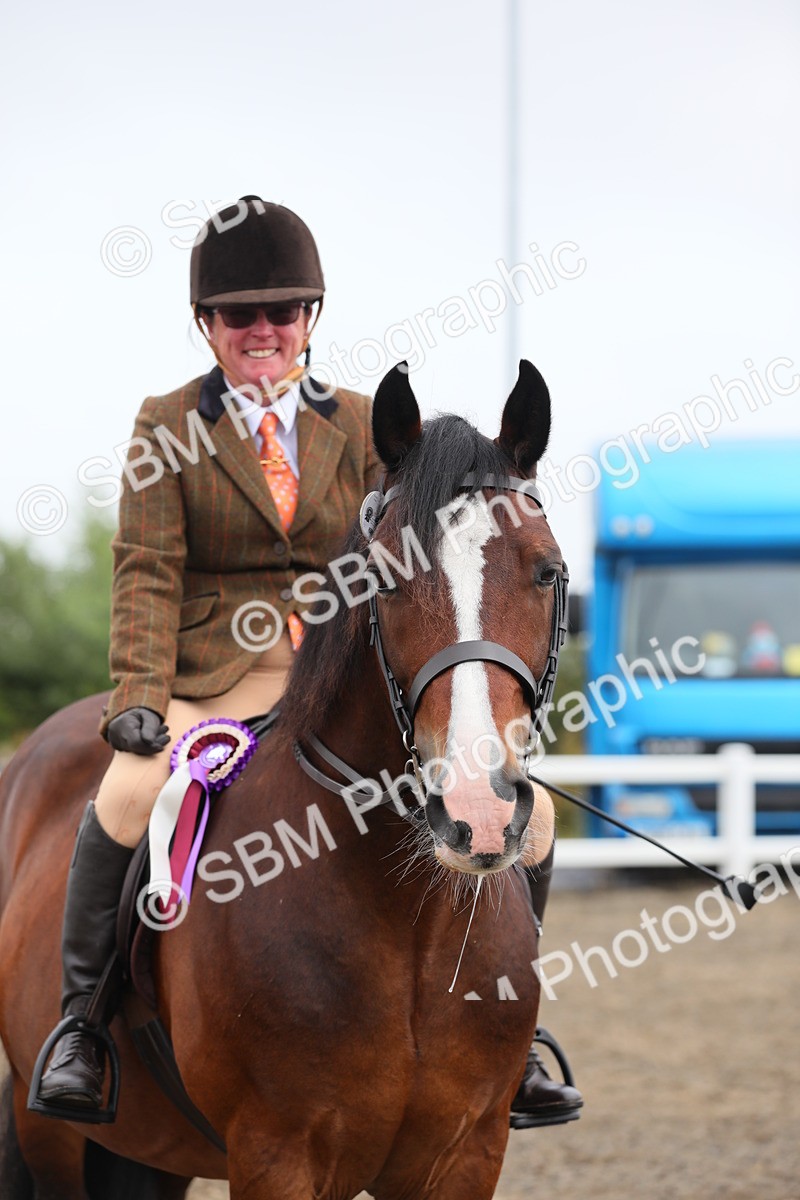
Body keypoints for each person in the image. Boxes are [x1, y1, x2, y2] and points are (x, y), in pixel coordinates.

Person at [31, 196, 581, 1128]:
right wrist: (136, 699)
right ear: (207, 326)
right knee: (129, 797)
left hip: (341, 668)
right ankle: (82, 1024)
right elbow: (147, 570)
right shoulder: (166, 424)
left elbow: (427, 562)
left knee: (528, 824)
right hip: (214, 671)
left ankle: (508, 1033)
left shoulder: (369, 424)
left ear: (310, 320)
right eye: (239, 315)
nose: (262, 332)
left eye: (281, 313)